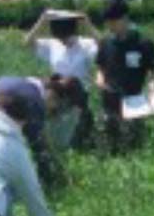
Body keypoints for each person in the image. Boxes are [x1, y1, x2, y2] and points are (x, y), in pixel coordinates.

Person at [94, 0, 154, 152]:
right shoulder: (106, 43)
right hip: (109, 99)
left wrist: (153, 87)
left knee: (134, 145)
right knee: (109, 143)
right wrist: (100, 79)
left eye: (113, 22)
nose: (110, 26)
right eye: (107, 22)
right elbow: (100, 67)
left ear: (125, 18)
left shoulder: (143, 43)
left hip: (134, 99)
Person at [24, 9, 99, 146]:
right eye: (60, 39)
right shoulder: (53, 44)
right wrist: (42, 20)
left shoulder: (86, 44)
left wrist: (87, 22)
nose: (63, 41)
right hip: (57, 90)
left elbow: (104, 47)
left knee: (67, 85)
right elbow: (28, 42)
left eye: (65, 38)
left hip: (79, 92)